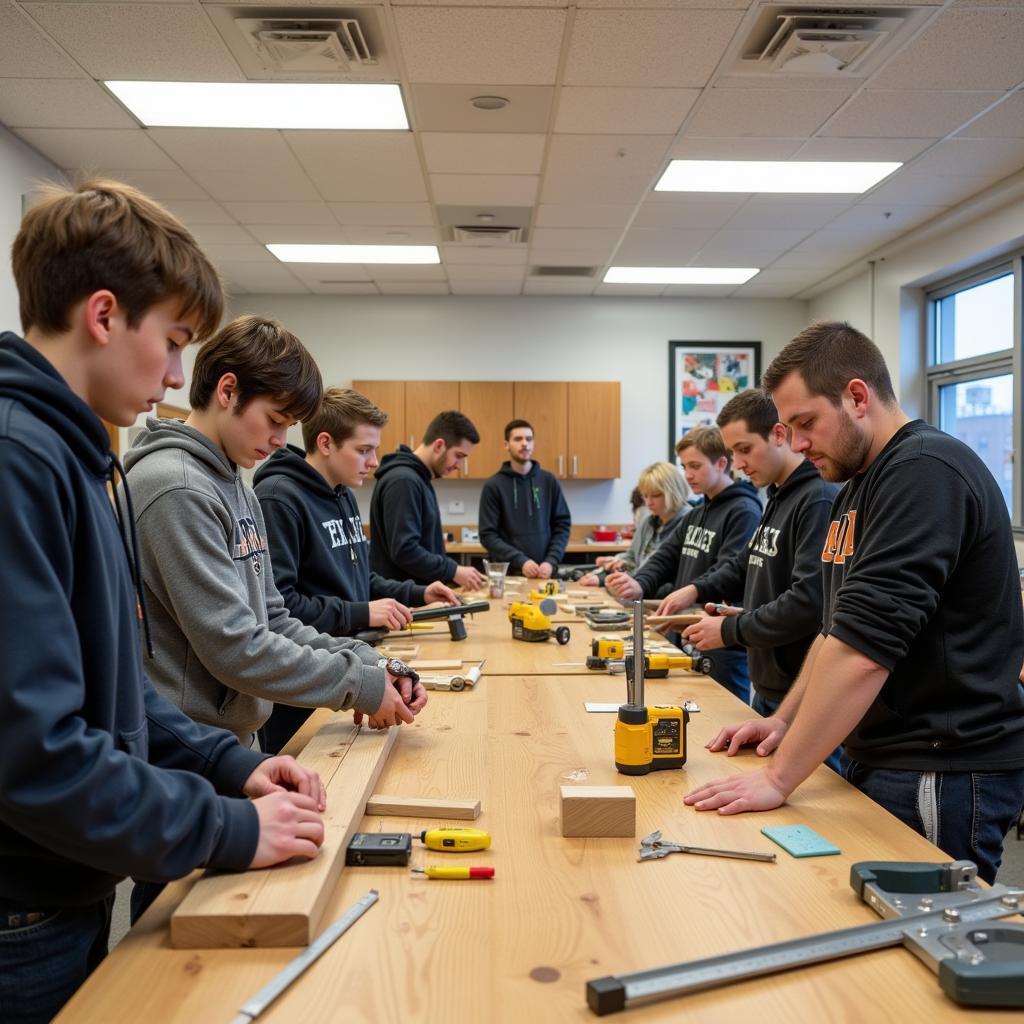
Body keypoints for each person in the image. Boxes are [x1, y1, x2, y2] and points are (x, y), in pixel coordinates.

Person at [0, 180, 326, 1024]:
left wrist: (230, 764)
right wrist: (229, 830)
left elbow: (120, 683)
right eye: (175, 341)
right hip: (18, 914)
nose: (180, 375)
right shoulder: (17, 462)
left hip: (64, 890)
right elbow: (36, 753)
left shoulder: (79, 457)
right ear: (104, 316)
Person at [685, 321, 1024, 883]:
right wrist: (785, 721)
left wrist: (778, 778)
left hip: (938, 765)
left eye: (804, 423)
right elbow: (835, 630)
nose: (795, 444)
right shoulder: (858, 487)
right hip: (884, 754)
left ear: (858, 397)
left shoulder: (923, 472)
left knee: (917, 944)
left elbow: (865, 649)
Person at [254, 387, 459, 754]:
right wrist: (362, 612)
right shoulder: (278, 497)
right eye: (363, 450)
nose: (374, 461)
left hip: (349, 667)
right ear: (326, 443)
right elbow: (279, 609)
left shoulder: (344, 494)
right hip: (301, 694)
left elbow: (361, 579)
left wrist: (417, 592)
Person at [664, 392, 839, 767]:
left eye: (745, 449)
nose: (738, 464)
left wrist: (731, 630)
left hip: (801, 699)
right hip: (769, 688)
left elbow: (809, 601)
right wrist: (695, 590)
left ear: (779, 435)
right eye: (733, 452)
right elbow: (744, 564)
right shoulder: (776, 496)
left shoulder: (817, 498)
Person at [607, 426, 761, 702]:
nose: (687, 474)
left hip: (722, 642)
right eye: (684, 466)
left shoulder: (744, 511)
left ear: (722, 463)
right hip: (689, 634)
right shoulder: (698, 513)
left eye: (695, 466)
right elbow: (665, 557)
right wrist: (638, 583)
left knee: (724, 713)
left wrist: (692, 590)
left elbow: (730, 570)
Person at [370, 410, 485, 589]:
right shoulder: (404, 481)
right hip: (404, 604)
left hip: (417, 597)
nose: (459, 465)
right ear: (439, 445)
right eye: (459, 456)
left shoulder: (419, 479)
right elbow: (405, 550)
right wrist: (453, 570)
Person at [478, 419, 571, 579]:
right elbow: (488, 535)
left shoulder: (549, 481)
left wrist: (551, 561)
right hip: (509, 576)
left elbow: (562, 525)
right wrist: (521, 561)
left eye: (528, 439)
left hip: (545, 573)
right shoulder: (493, 486)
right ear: (506, 445)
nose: (524, 444)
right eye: (518, 439)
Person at [579, 462, 688, 587]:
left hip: (659, 598)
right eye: (645, 496)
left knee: (635, 606)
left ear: (674, 492)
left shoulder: (688, 523)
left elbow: (659, 573)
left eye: (656, 496)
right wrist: (618, 561)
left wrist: (604, 580)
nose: (649, 502)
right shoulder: (649, 522)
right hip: (640, 593)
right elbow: (632, 556)